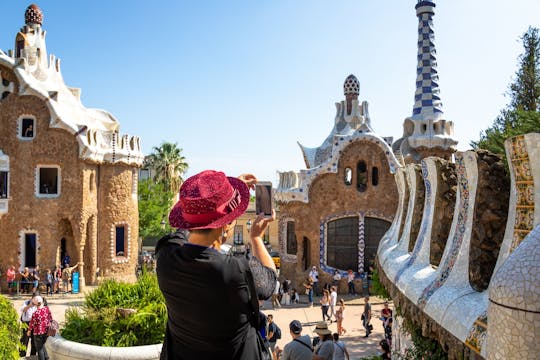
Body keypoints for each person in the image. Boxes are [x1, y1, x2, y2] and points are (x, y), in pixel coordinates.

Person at [155, 170, 277, 359]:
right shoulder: (234, 270)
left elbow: (183, 231)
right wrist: (256, 238)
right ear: (226, 225)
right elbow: (269, 280)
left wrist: (225, 199)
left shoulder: (166, 257)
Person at [27, 295, 52, 360]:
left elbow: (32, 324)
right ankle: (47, 358)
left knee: (39, 349)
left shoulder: (35, 313)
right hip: (46, 331)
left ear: (35, 304)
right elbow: (50, 318)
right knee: (42, 345)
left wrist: (29, 331)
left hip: (38, 333)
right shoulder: (47, 309)